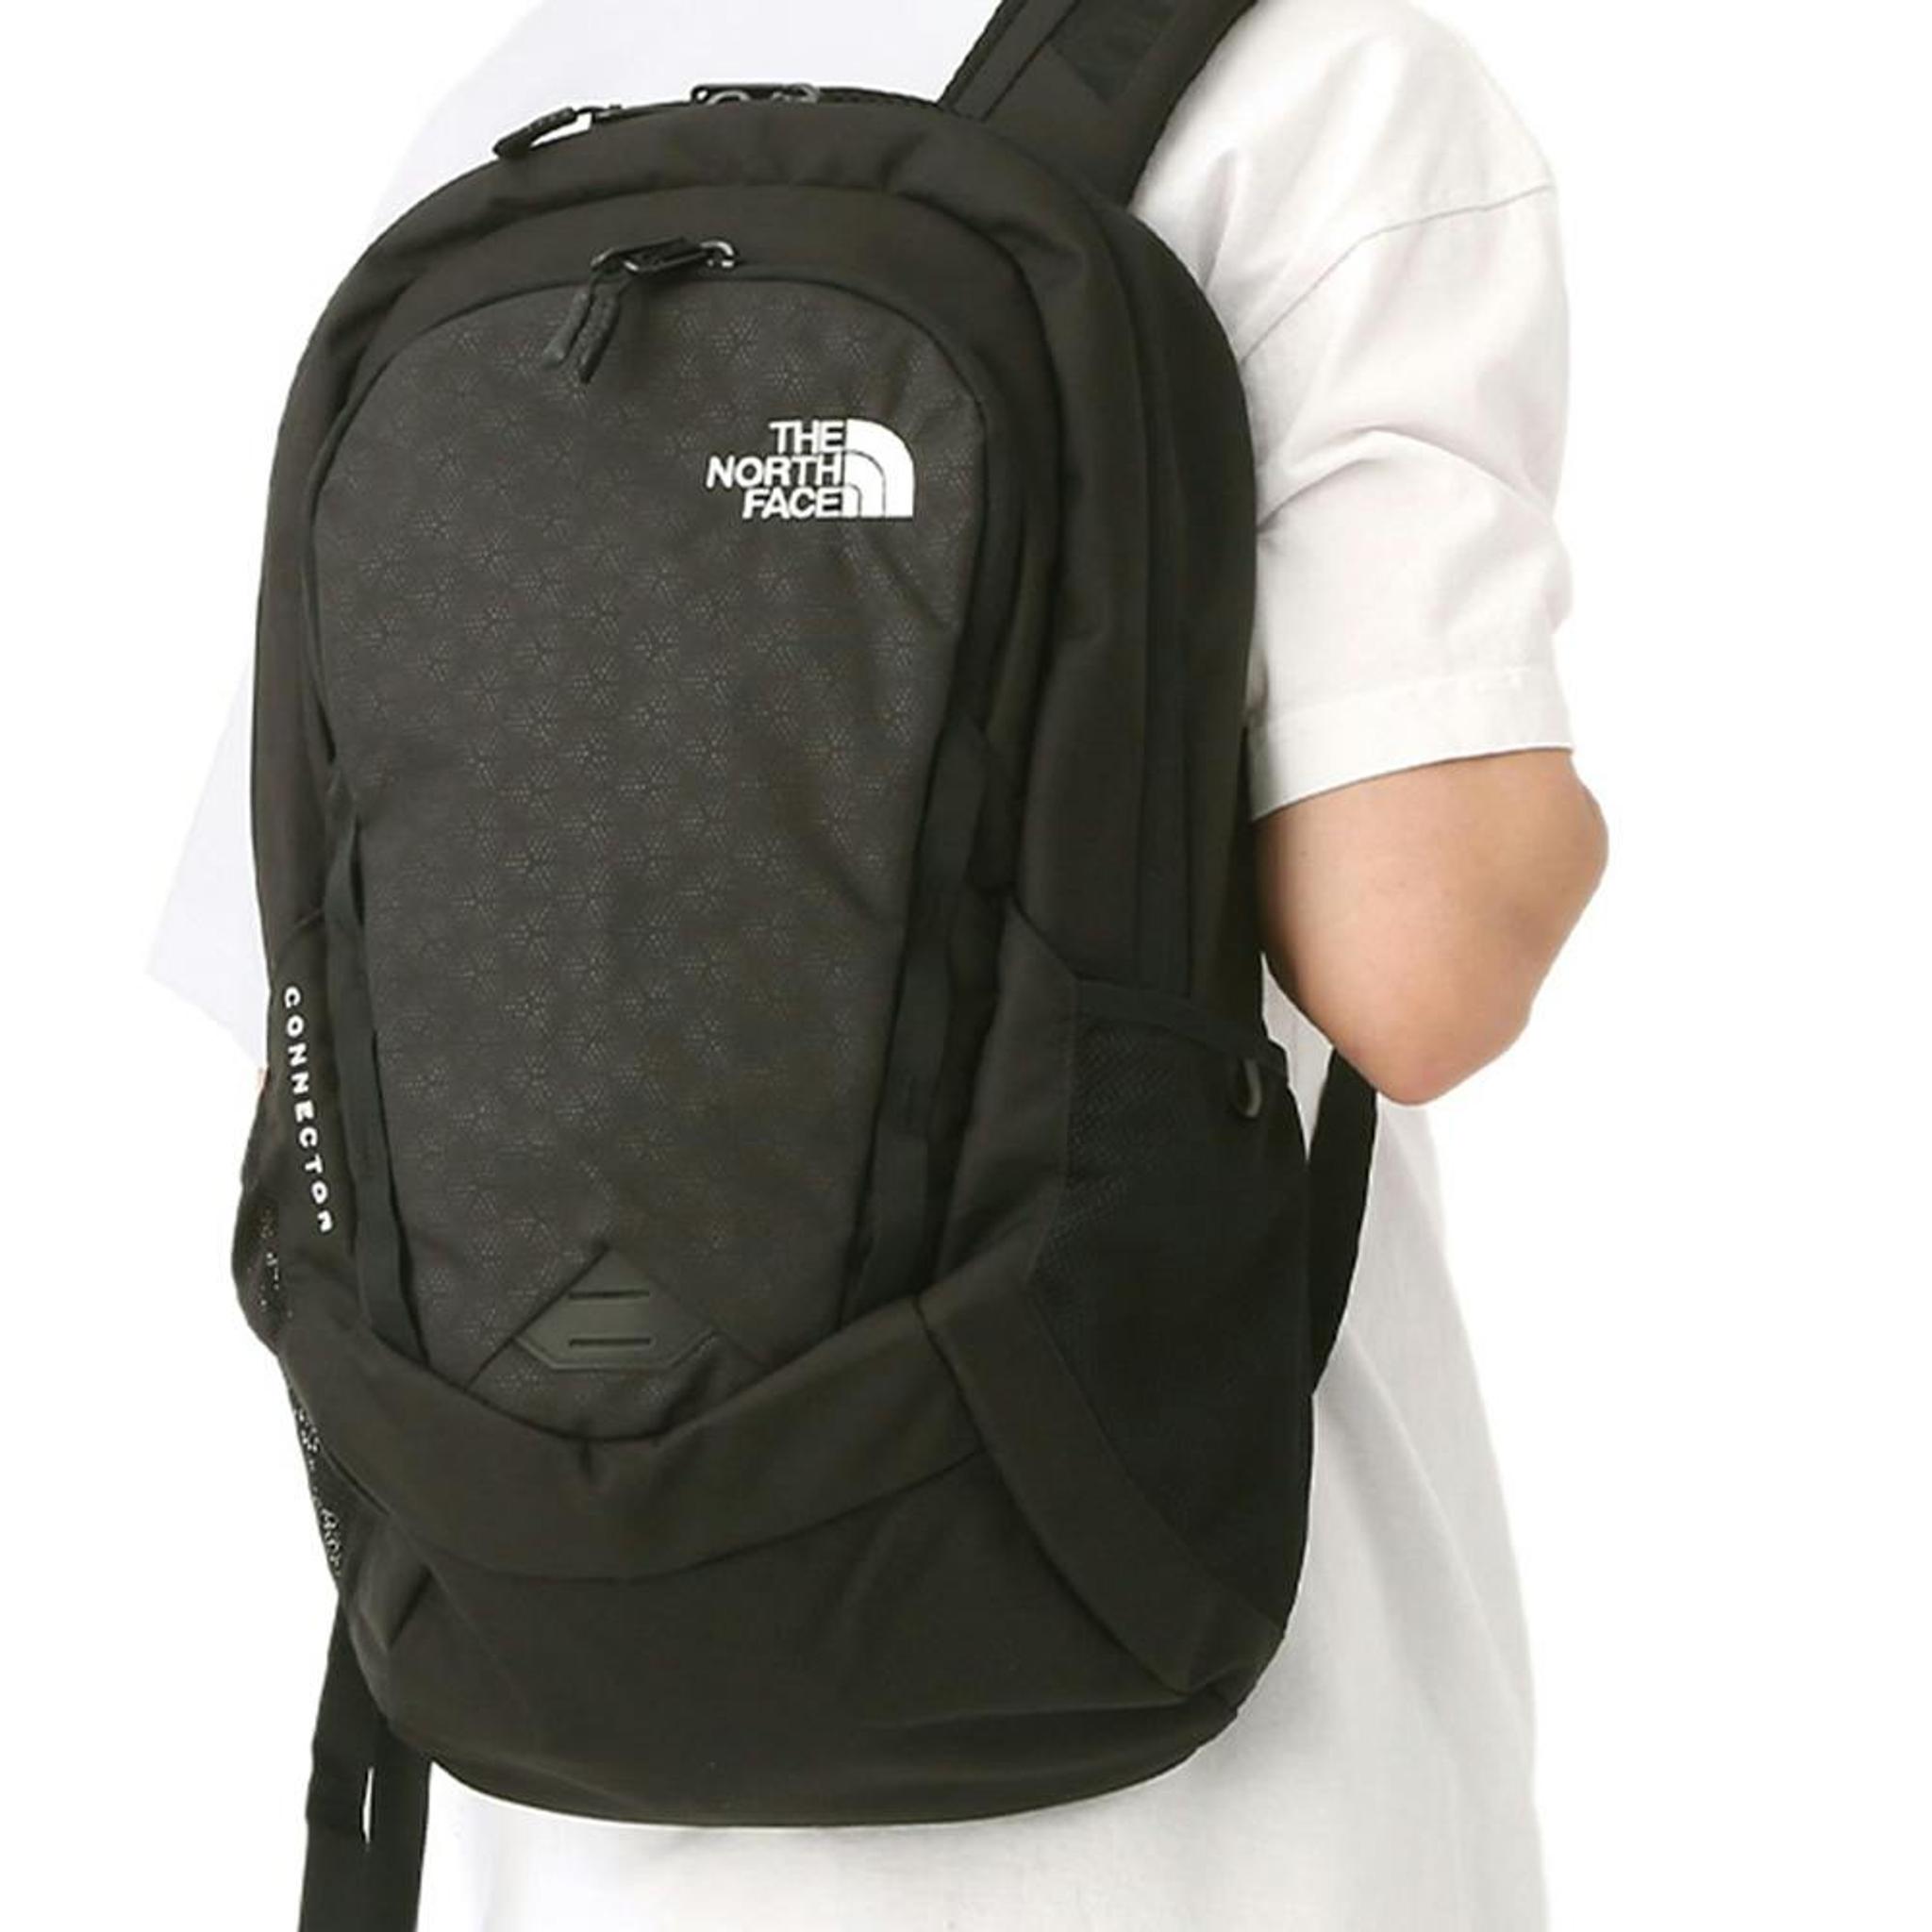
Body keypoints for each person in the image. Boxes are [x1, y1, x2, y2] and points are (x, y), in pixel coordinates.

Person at [155, 0, 1607, 1925]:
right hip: (1163, 1758)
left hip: (543, 1730)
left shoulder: (529, 103)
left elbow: (297, 964)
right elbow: (1421, 967)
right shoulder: (1322, 86)